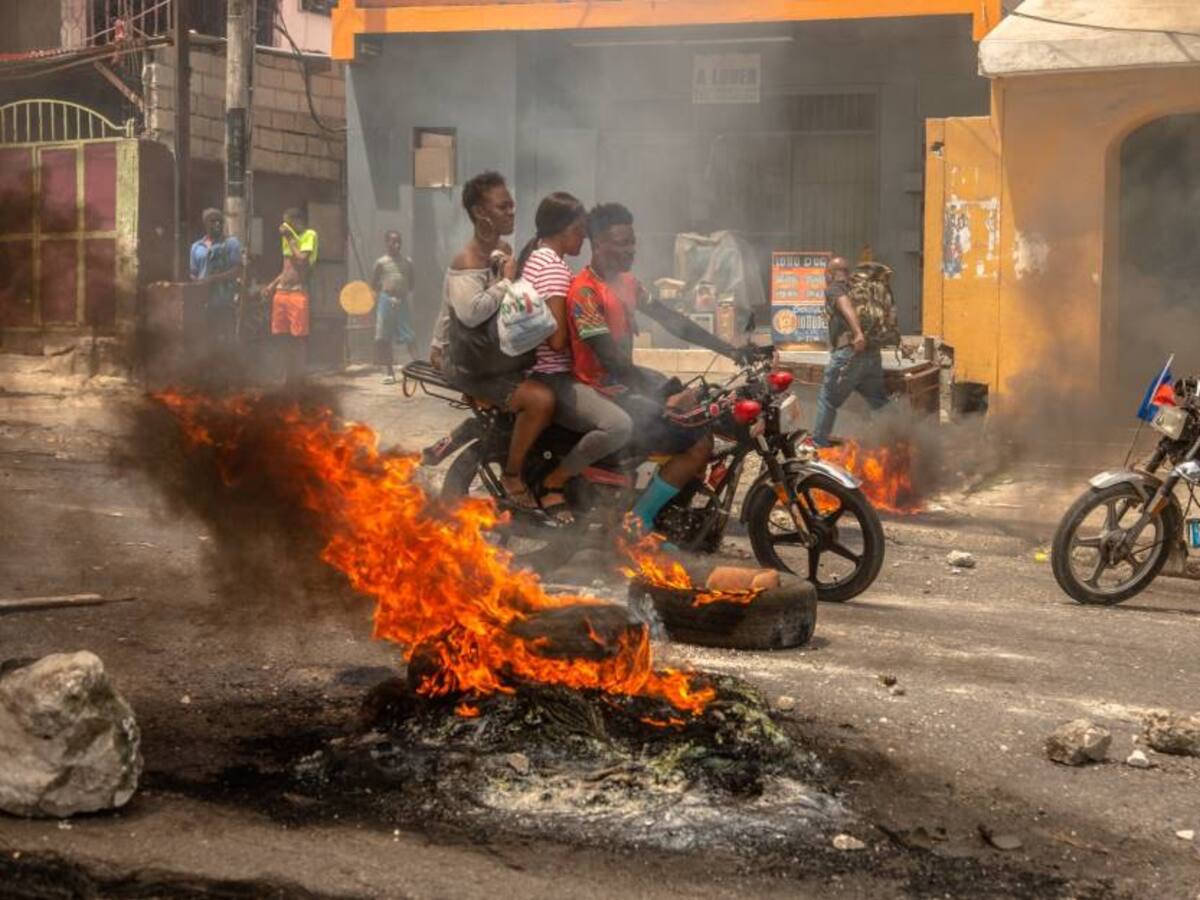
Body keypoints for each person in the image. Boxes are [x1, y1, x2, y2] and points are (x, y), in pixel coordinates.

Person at [566, 202, 743, 535]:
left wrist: (730, 349)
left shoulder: (629, 283)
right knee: (697, 442)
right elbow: (610, 360)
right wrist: (660, 394)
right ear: (598, 244)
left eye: (632, 241)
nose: (631, 249)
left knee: (703, 408)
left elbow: (673, 321)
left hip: (627, 384)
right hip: (603, 391)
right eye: (621, 243)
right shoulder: (585, 292)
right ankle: (640, 522)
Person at [433, 171, 557, 516]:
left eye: (512, 204)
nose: (512, 211)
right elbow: (469, 313)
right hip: (476, 364)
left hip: (496, 358)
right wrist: (506, 280)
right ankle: (513, 475)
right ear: (480, 213)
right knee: (541, 402)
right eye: (503, 206)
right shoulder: (467, 260)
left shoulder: (501, 250)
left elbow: (447, 306)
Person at [515, 192, 634, 523]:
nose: (583, 236)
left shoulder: (541, 258)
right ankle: (555, 480)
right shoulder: (553, 267)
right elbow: (556, 341)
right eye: (580, 229)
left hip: (549, 372)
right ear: (563, 229)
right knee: (618, 426)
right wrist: (580, 323)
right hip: (552, 375)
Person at [810, 256, 889, 448]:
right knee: (879, 402)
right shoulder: (861, 291)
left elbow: (845, 307)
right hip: (871, 355)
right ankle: (899, 441)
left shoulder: (836, 289)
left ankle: (818, 445)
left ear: (829, 274)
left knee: (828, 400)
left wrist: (857, 333)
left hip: (850, 353)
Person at [263, 207, 318, 385]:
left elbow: (301, 260)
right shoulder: (288, 239)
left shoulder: (309, 235)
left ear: (297, 221)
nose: (283, 226)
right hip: (281, 292)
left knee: (298, 338)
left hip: (297, 293)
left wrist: (290, 238)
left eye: (287, 222)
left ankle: (299, 377)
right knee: (281, 336)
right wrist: (272, 285)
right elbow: (287, 267)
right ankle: (285, 376)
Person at [189, 208, 243, 349]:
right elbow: (193, 273)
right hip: (203, 302)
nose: (217, 224)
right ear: (205, 224)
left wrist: (213, 279)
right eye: (213, 221)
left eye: (220, 221)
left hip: (225, 300)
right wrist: (197, 283)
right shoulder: (196, 247)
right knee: (206, 340)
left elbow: (237, 270)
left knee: (226, 340)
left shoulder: (231, 243)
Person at [371, 230, 417, 384]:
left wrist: (400, 295)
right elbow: (374, 283)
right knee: (385, 337)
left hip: (402, 301)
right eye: (393, 241)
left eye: (399, 241)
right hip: (386, 301)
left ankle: (418, 367)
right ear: (387, 243)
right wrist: (387, 295)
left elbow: (411, 283)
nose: (396, 244)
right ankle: (389, 373)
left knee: (409, 335)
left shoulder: (407, 262)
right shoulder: (381, 262)